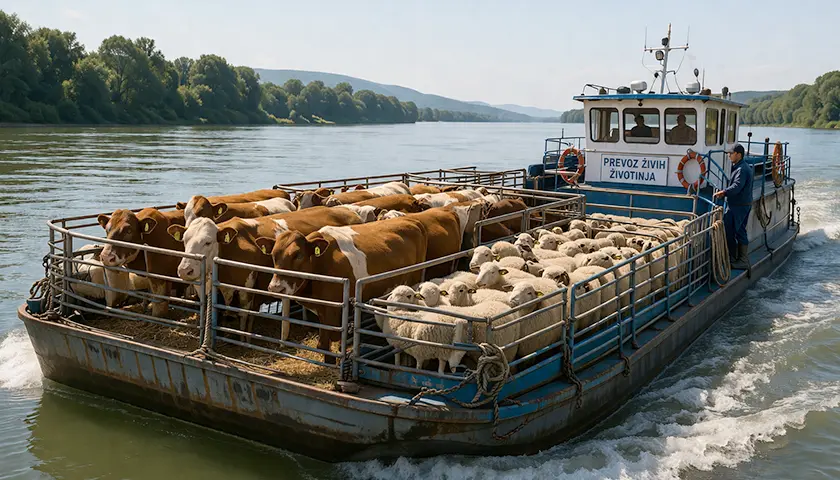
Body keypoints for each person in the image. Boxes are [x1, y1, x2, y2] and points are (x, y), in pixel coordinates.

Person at [713, 143, 754, 269]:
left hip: (739, 206)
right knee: (739, 230)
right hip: (741, 204)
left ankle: (739, 259)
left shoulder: (742, 170)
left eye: (731, 153)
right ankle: (739, 258)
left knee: (733, 230)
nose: (729, 155)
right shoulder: (740, 167)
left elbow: (737, 186)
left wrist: (724, 192)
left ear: (739, 155)